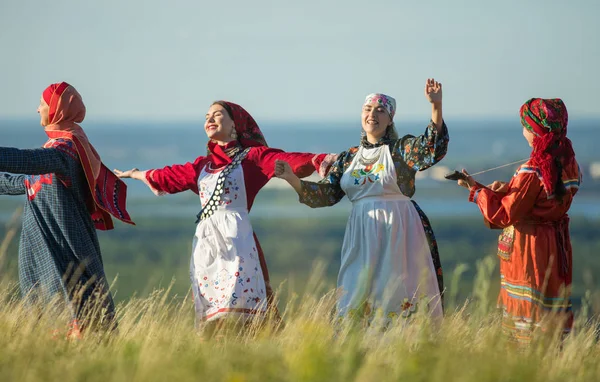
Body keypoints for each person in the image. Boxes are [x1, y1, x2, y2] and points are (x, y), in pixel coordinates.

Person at [114, 101, 335, 326]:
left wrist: (327, 160)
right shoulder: (202, 166)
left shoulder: (253, 158)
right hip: (206, 244)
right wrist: (138, 174)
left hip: (238, 240)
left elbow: (290, 159)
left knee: (239, 308)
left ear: (235, 124)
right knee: (213, 313)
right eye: (206, 116)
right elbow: (170, 176)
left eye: (217, 115)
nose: (209, 119)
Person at [275, 79, 448, 326]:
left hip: (399, 230)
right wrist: (292, 179)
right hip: (361, 233)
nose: (373, 114)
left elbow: (431, 148)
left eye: (380, 110)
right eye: (368, 109)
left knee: (398, 288)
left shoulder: (400, 150)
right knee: (355, 290)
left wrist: (436, 106)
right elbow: (326, 194)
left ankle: (403, 348)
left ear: (390, 120)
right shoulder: (349, 158)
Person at [0, 82, 134, 337]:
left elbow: (27, 162)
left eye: (42, 104)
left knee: (77, 308)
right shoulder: (56, 148)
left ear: (56, 109)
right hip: (43, 244)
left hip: (64, 243)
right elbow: (22, 182)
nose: (37, 109)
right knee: (48, 310)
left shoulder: (68, 149)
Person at [457, 98, 581, 345]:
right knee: (548, 307)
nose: (523, 130)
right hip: (555, 246)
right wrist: (507, 188)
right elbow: (540, 201)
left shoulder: (533, 169)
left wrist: (477, 192)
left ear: (535, 130)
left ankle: (527, 361)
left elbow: (504, 214)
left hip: (530, 248)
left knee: (527, 311)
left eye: (525, 125)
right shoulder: (568, 163)